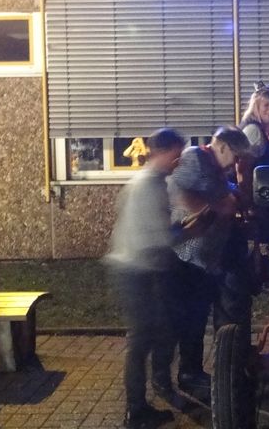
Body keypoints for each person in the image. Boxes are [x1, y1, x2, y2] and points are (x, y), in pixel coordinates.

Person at [155, 126, 253, 395]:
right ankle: (186, 373)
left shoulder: (215, 167)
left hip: (206, 258)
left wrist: (235, 189)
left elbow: (227, 195)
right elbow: (177, 188)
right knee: (191, 319)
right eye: (236, 155)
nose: (237, 161)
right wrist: (217, 206)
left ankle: (193, 371)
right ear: (222, 146)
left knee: (198, 317)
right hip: (189, 257)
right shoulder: (196, 158)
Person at [104, 128, 185, 429]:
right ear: (161, 152)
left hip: (137, 267)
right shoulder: (148, 186)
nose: (178, 161)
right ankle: (136, 411)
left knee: (152, 335)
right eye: (175, 154)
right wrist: (192, 228)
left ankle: (141, 404)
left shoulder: (149, 182)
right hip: (135, 270)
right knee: (141, 340)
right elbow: (161, 238)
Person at [239, 81, 269, 167]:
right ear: (256, 107)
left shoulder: (266, 132)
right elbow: (243, 166)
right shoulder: (253, 130)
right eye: (266, 105)